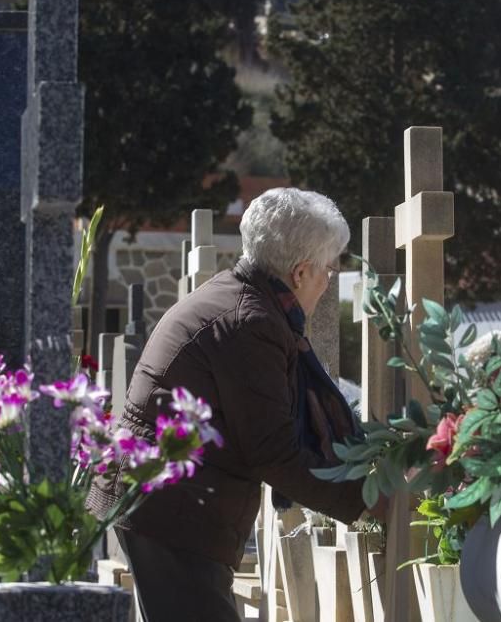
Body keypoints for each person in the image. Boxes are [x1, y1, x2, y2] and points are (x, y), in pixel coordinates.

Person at [88, 188, 385, 621]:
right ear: (300, 273)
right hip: (174, 512)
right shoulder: (251, 323)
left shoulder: (240, 300)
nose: (328, 282)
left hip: (168, 504)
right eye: (328, 269)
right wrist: (371, 499)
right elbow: (273, 452)